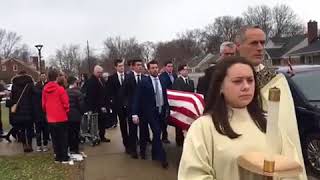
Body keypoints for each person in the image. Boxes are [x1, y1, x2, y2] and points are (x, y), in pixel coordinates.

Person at [178, 56, 303, 180]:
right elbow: (193, 175)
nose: (246, 87)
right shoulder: (203, 127)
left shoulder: (269, 123)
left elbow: (291, 168)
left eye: (250, 80)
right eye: (238, 81)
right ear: (220, 86)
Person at [235, 25, 307, 179]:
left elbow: (287, 129)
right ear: (238, 47)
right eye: (254, 43)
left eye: (262, 42)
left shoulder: (276, 81)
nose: (260, 48)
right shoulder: (223, 79)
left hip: (269, 158)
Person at [132, 60, 169, 169]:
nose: (155, 69)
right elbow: (137, 98)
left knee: (158, 134)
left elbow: (165, 95)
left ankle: (154, 154)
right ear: (148, 69)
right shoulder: (144, 81)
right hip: (148, 112)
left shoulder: (162, 80)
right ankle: (162, 158)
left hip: (160, 112)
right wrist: (135, 113)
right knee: (149, 134)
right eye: (152, 68)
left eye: (156, 67)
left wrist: (167, 109)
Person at [42, 69, 70, 163]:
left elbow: (43, 104)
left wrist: (48, 112)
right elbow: (66, 103)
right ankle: (64, 156)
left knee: (54, 138)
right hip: (61, 117)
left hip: (50, 118)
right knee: (63, 138)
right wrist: (67, 111)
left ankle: (57, 157)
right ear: (57, 77)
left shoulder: (45, 89)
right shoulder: (60, 89)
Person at [6, 70, 35, 152]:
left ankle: (24, 145)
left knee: (21, 129)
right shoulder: (30, 84)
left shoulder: (14, 85)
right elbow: (34, 96)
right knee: (29, 128)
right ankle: (30, 145)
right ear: (26, 74)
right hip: (29, 109)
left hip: (18, 110)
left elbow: (12, 98)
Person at [125, 59, 147, 159]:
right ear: (133, 66)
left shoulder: (144, 78)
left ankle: (143, 151)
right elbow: (124, 93)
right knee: (133, 132)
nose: (140, 67)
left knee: (143, 131)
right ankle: (133, 151)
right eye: (137, 65)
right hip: (131, 109)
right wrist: (126, 105)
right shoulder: (128, 77)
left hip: (143, 109)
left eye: (141, 65)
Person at [108, 59, 130, 153]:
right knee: (123, 124)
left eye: (123, 66)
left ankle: (133, 141)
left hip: (129, 104)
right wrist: (113, 103)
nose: (122, 67)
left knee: (131, 124)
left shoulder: (129, 76)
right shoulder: (112, 78)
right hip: (119, 105)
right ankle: (126, 143)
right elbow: (110, 92)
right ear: (116, 67)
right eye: (120, 66)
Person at [172, 64, 195, 146]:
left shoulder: (191, 81)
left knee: (188, 124)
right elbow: (178, 94)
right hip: (180, 107)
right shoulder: (177, 81)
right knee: (179, 125)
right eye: (184, 69)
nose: (186, 71)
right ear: (180, 71)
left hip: (189, 107)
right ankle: (179, 141)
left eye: (187, 69)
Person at [86, 65, 110, 143]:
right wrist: (91, 108)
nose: (100, 74)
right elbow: (90, 95)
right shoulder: (91, 81)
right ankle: (95, 137)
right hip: (96, 106)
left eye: (101, 72)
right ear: (94, 72)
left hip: (103, 104)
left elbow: (105, 91)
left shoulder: (102, 80)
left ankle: (102, 136)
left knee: (103, 122)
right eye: (98, 72)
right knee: (95, 123)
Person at [159, 60, 177, 144]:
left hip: (175, 100)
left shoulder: (174, 75)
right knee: (164, 119)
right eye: (168, 66)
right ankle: (164, 136)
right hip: (166, 101)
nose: (170, 68)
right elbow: (163, 89)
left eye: (171, 66)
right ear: (165, 67)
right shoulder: (162, 76)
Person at [67, 76, 84, 154]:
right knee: (76, 132)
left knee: (70, 133)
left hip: (67, 115)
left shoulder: (65, 91)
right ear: (74, 82)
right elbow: (81, 105)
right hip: (76, 116)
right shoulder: (78, 92)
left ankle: (71, 148)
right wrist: (82, 112)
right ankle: (76, 149)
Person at [33, 72, 49, 152]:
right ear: (39, 77)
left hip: (46, 111)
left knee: (45, 130)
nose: (43, 77)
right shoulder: (36, 86)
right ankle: (39, 145)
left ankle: (45, 144)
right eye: (41, 76)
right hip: (38, 111)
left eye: (44, 76)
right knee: (38, 130)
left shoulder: (48, 84)